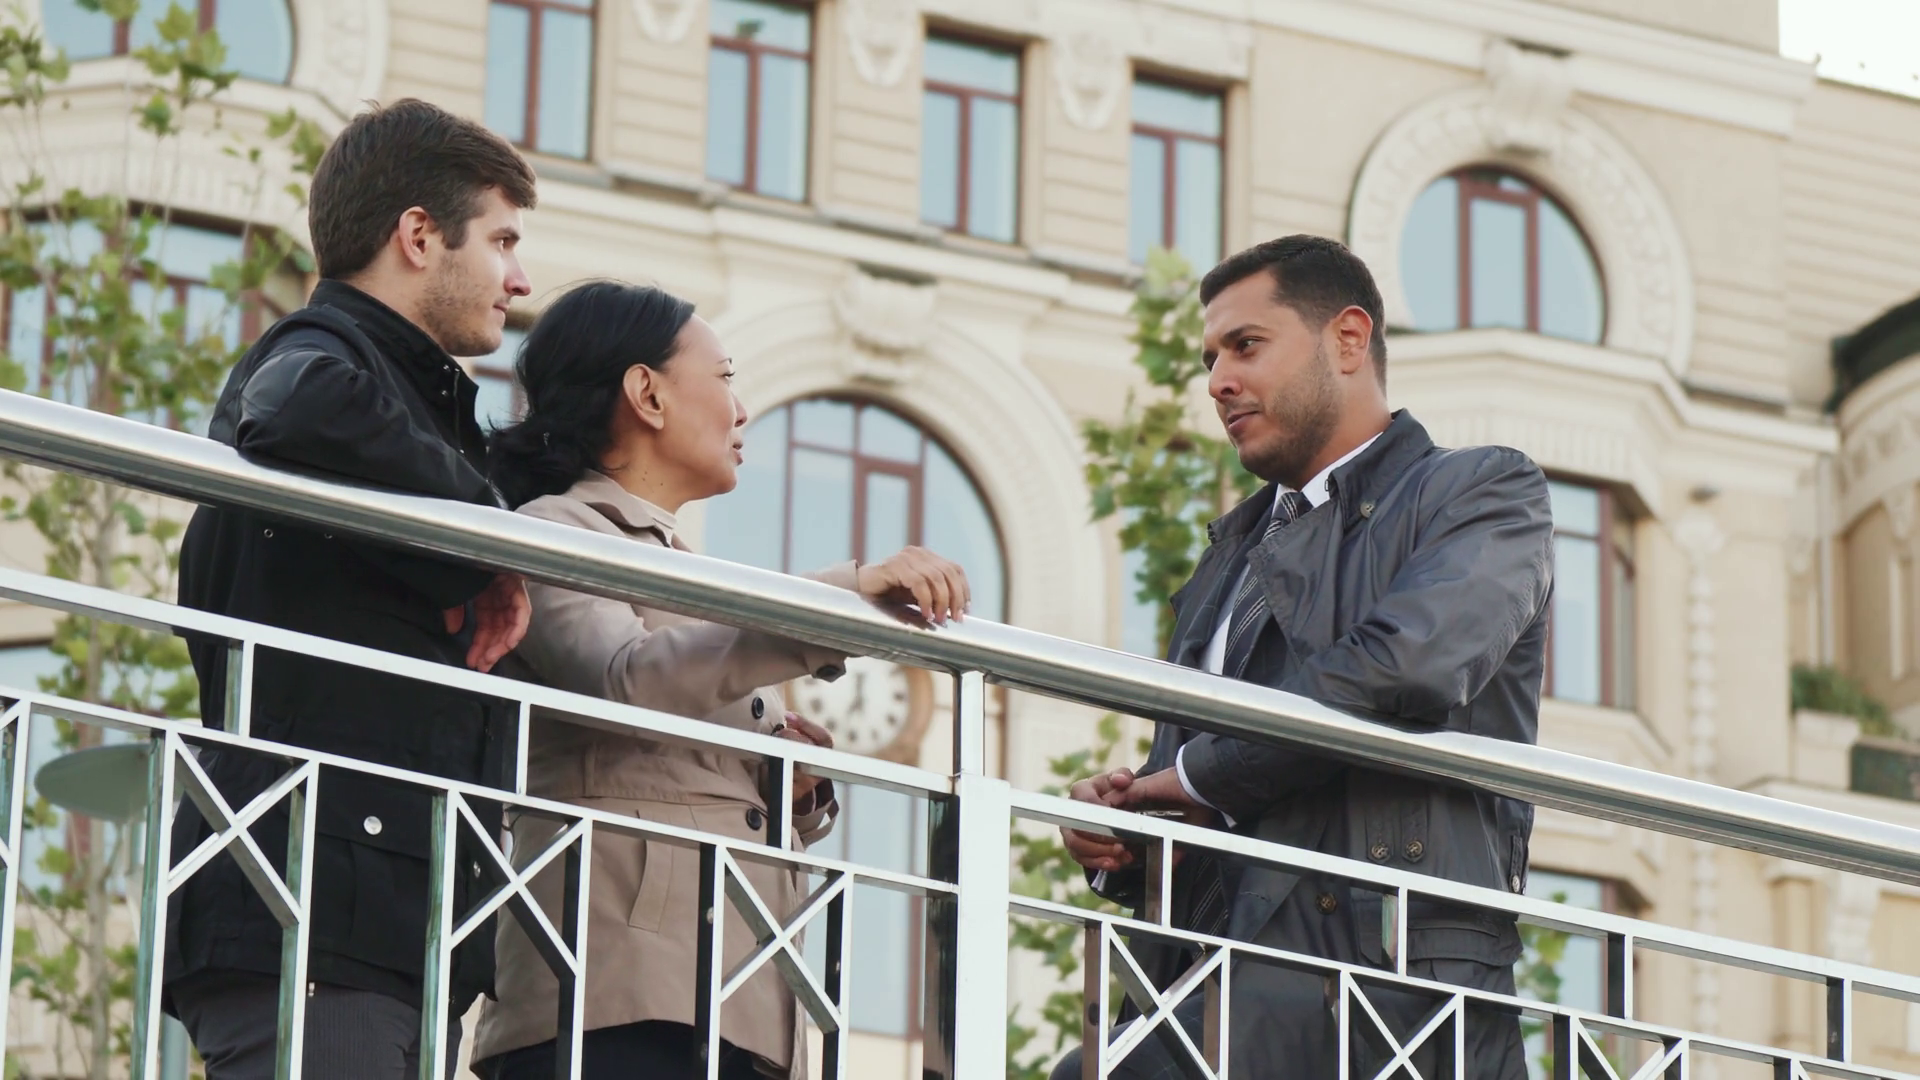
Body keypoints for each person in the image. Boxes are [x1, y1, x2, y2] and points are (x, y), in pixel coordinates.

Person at [1054, 235, 1553, 1078]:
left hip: (1383, 987)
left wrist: (1194, 778)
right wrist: (1133, 828)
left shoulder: (1481, 491)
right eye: (1210, 359)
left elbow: (1404, 668)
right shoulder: (1228, 559)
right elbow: (1209, 784)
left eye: (1245, 346)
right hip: (1216, 975)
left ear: (1348, 339)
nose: (1218, 381)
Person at [469, 280, 971, 1080]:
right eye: (726, 377)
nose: (742, 411)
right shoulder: (550, 530)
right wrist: (841, 598)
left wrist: (785, 782)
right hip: (611, 993)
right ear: (647, 394)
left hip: (727, 997)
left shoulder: (677, 564)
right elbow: (626, 681)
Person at [166, 99, 538, 1079]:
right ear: (418, 235)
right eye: (501, 241)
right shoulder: (316, 356)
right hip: (311, 919)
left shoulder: (411, 402)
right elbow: (300, 408)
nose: (519, 279)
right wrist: (491, 545)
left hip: (369, 925)